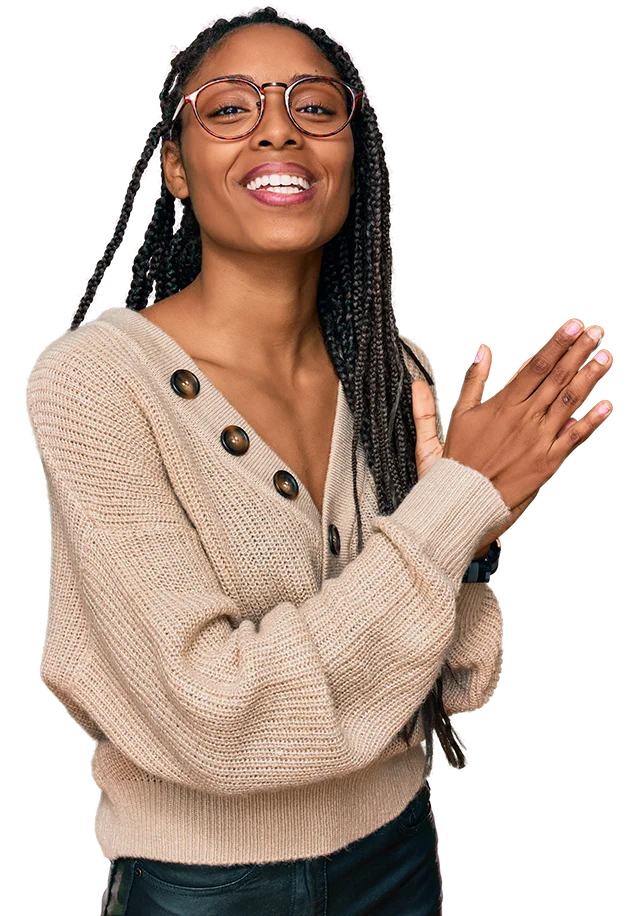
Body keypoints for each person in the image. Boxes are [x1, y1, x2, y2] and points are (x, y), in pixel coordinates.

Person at [24, 5, 613, 915]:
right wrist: (452, 510)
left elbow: (456, 678)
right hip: (205, 890)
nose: (276, 126)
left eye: (314, 104)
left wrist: (482, 524)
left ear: (350, 158)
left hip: (398, 849)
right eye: (228, 108)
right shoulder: (97, 386)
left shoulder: (396, 368)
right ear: (174, 167)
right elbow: (215, 716)